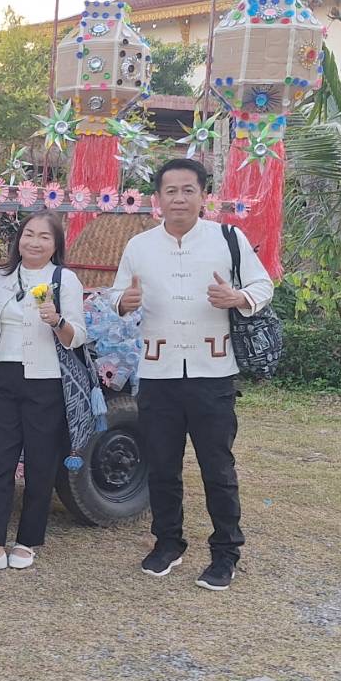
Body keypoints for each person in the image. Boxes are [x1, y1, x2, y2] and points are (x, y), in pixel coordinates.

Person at [109, 158, 273, 591]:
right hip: (158, 371)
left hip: (212, 370)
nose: (179, 198)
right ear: (157, 198)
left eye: (188, 190)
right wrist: (124, 301)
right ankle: (168, 543)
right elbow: (116, 294)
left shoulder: (228, 238)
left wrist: (237, 297)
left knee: (217, 466)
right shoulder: (139, 246)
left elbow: (264, 286)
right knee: (161, 464)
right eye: (170, 191)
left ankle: (226, 552)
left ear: (204, 196)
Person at [0, 211, 86, 573]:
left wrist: (57, 321)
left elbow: (77, 337)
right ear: (18, 239)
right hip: (0, 377)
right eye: (28, 234)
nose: (34, 242)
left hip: (45, 380)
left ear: (56, 245)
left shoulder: (64, 280)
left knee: (40, 462)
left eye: (44, 237)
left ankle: (27, 541)